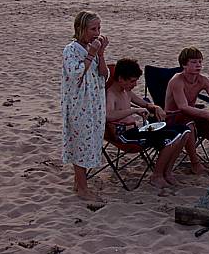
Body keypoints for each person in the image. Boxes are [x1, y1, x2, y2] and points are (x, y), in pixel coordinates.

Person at [106, 59, 190, 189]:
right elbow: (108, 115)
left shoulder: (126, 91)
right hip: (123, 135)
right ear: (121, 78)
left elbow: (144, 104)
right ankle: (156, 176)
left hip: (135, 131)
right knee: (170, 139)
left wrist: (155, 107)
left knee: (184, 131)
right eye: (132, 81)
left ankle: (167, 172)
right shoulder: (111, 94)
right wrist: (134, 110)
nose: (134, 84)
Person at [61, 11, 109, 201]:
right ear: (81, 29)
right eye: (93, 28)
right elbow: (76, 73)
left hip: (95, 102)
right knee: (80, 142)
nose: (97, 32)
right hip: (78, 102)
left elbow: (104, 75)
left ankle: (78, 183)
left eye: (99, 28)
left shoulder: (94, 49)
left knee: (91, 140)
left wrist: (101, 54)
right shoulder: (70, 50)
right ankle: (82, 188)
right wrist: (90, 55)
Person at [165, 47, 209, 175]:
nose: (198, 65)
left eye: (200, 62)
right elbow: (182, 106)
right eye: (194, 62)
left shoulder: (202, 80)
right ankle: (195, 163)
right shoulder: (177, 81)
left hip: (192, 114)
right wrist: (205, 113)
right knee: (189, 124)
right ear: (184, 64)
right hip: (174, 117)